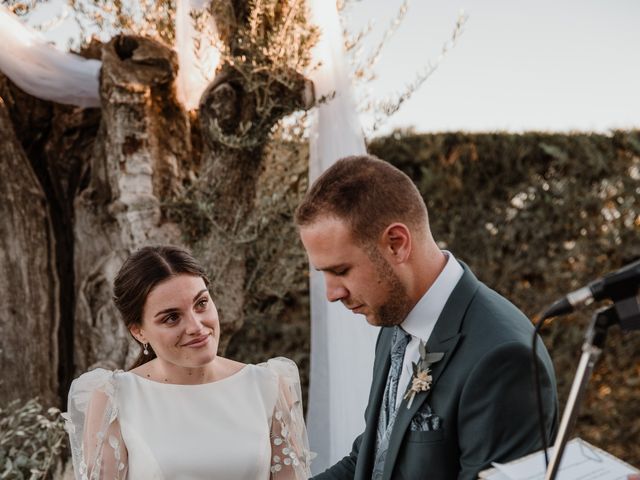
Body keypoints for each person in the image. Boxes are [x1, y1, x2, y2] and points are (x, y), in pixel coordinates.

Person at [295, 155, 558, 480]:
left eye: (341, 270)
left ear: (396, 244)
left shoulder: (504, 357)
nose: (332, 293)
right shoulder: (394, 323)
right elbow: (371, 457)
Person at [64, 245, 312, 479]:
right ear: (138, 331)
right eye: (172, 318)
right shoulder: (114, 397)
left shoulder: (269, 386)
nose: (196, 326)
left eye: (201, 303)